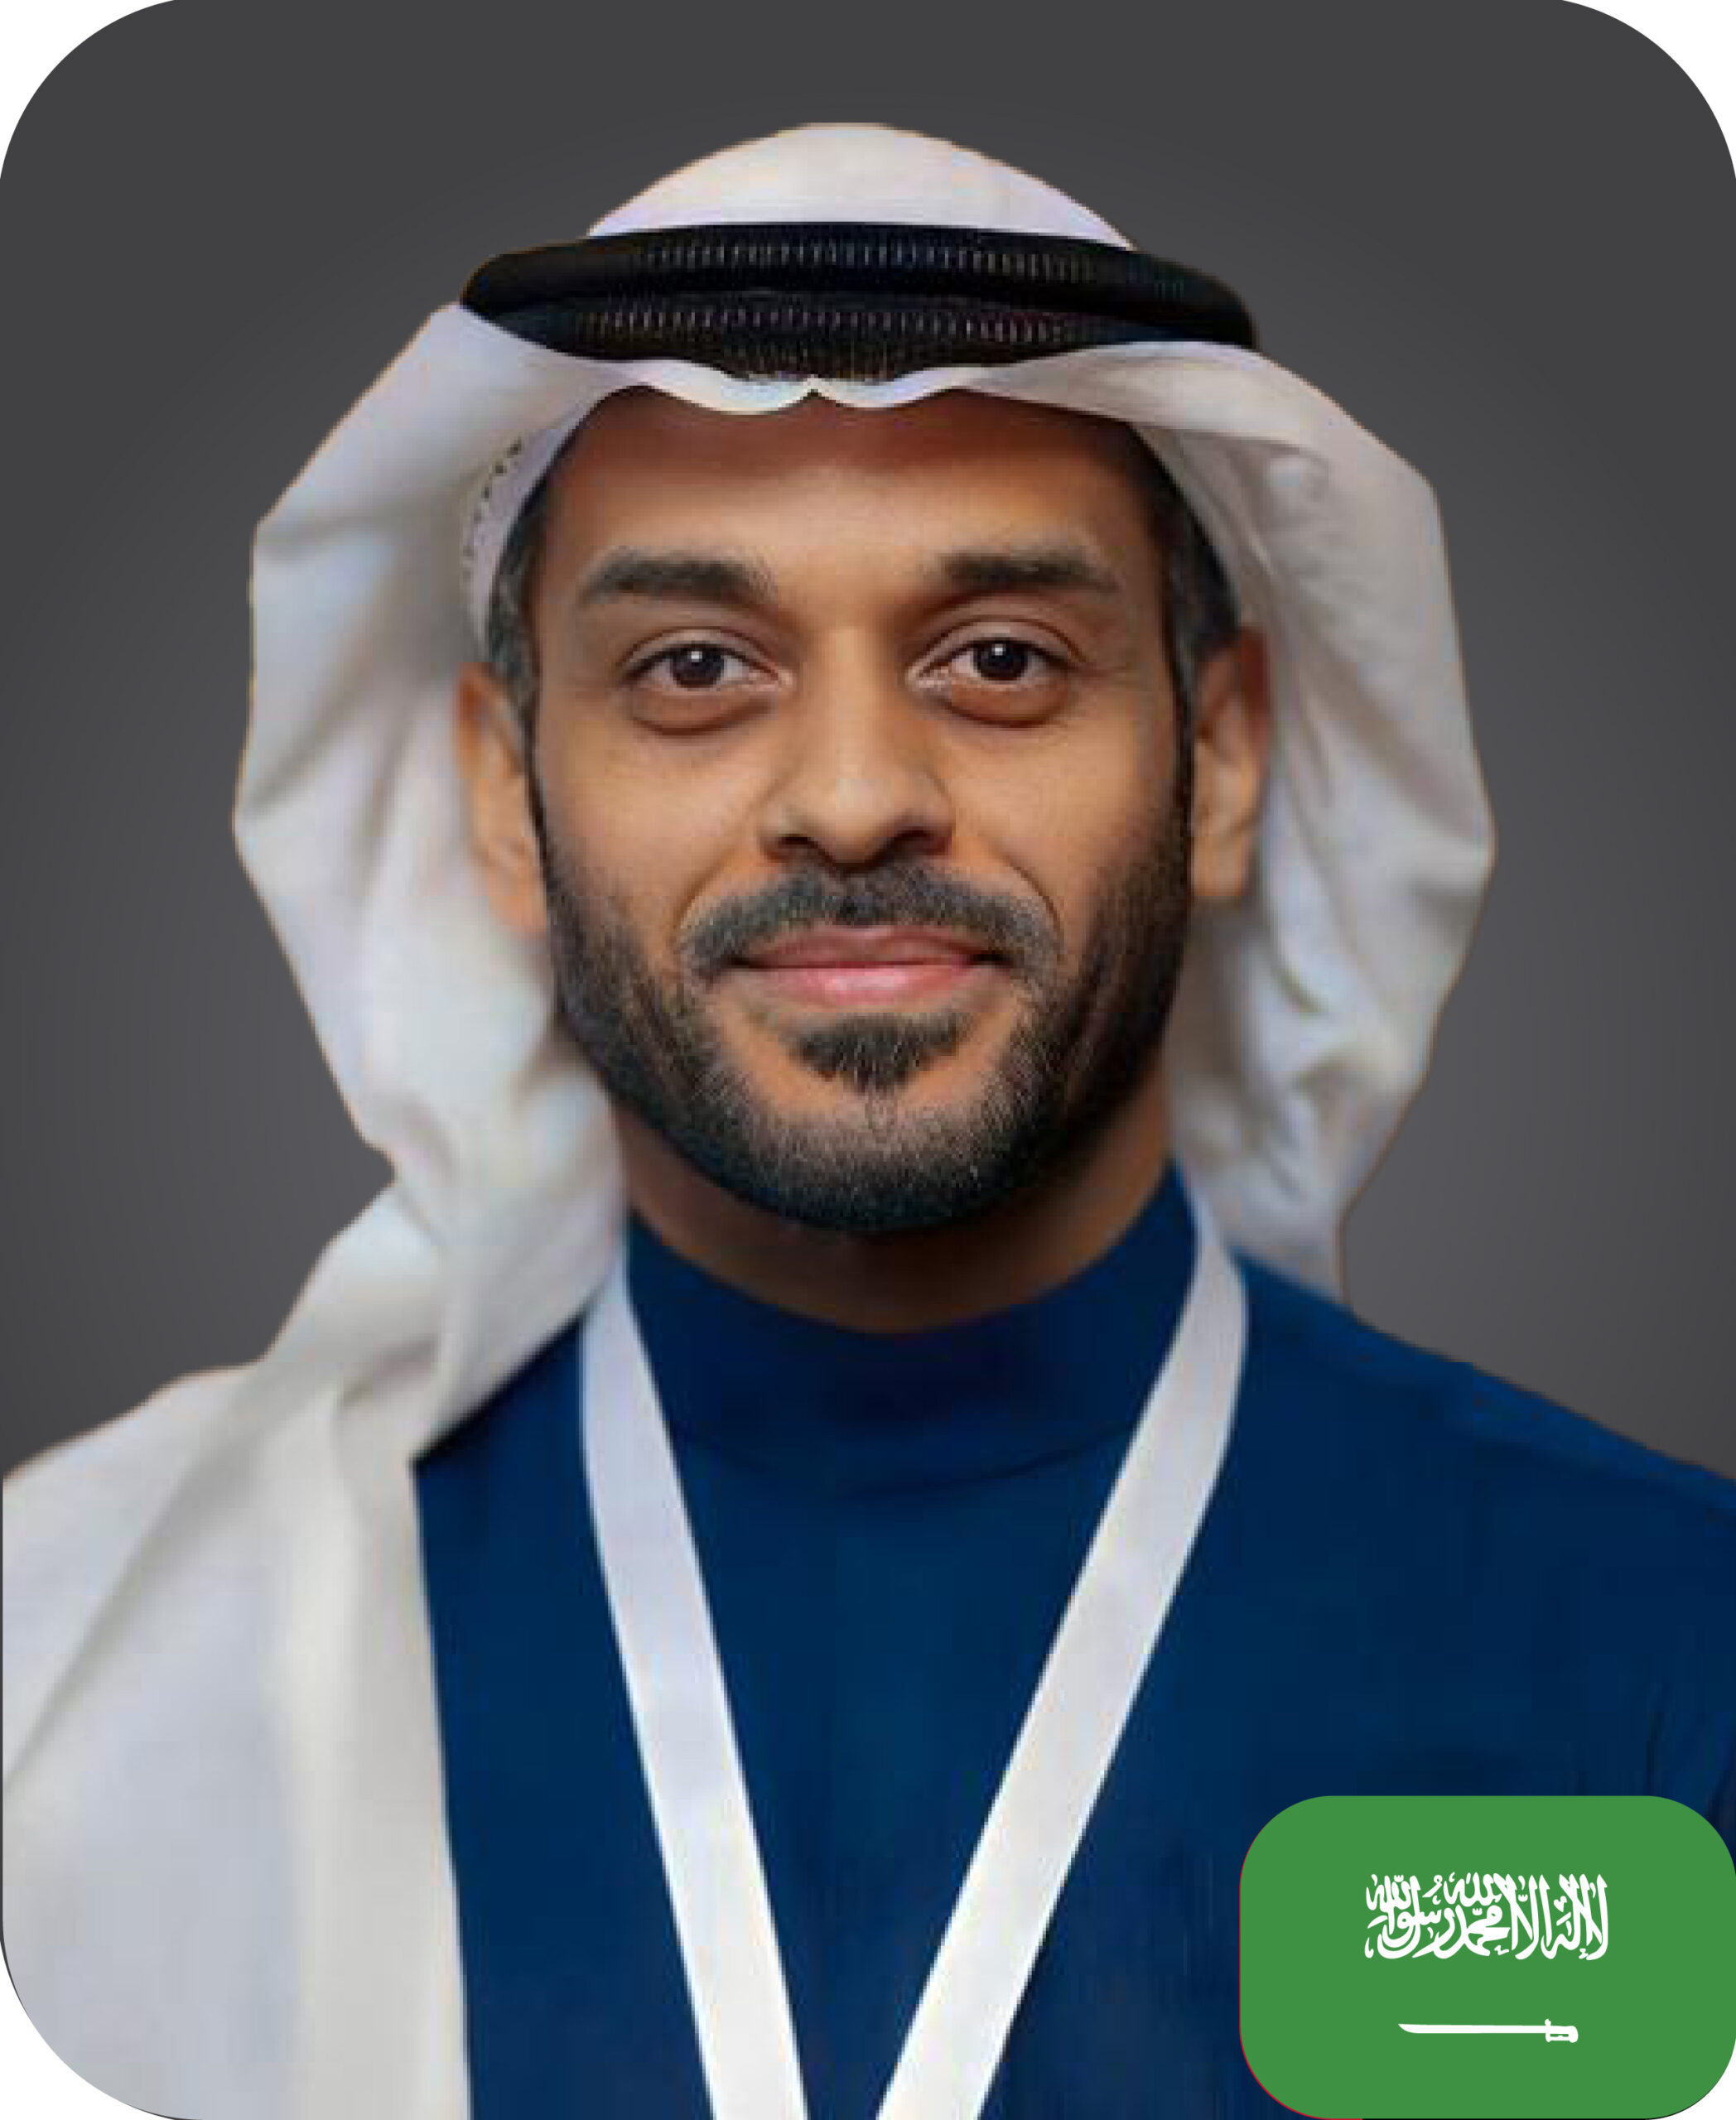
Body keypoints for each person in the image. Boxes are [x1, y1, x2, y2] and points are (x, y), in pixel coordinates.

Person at [4, 122, 1732, 2120]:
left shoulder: (1664, 1648)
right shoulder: (75, 1668)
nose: (848, 794)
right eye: (694, 666)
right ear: (503, 794)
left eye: (999, 658)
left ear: (1225, 756)